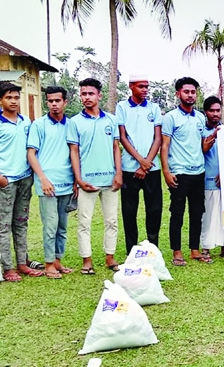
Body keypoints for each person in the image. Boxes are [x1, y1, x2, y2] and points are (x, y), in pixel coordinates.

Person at [0, 82, 39, 281]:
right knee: (4, 225)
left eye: (15, 97)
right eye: (9, 98)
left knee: (21, 222)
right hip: (6, 181)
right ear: (0, 100)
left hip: (24, 179)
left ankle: (22, 263)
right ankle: (8, 267)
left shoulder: (26, 122)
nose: (13, 101)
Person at [68, 78, 123, 274]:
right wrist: (79, 179)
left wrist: (118, 173)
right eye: (83, 94)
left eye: (91, 93)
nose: (87, 97)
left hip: (110, 180)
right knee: (84, 222)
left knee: (112, 221)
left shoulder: (111, 120)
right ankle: (87, 261)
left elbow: (116, 147)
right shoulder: (74, 122)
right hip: (87, 182)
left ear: (99, 95)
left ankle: (110, 257)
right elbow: (73, 151)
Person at [27, 85, 74, 279]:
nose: (54, 104)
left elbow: (74, 153)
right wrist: (43, 179)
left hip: (67, 182)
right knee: (51, 225)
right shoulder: (38, 125)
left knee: (62, 225)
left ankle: (57, 260)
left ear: (65, 102)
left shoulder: (71, 125)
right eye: (50, 101)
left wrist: (76, 181)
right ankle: (48, 264)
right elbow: (31, 154)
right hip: (47, 184)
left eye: (57, 100)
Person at [161, 76, 209, 266]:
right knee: (178, 213)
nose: (190, 95)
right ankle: (177, 251)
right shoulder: (171, 117)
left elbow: (202, 146)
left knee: (197, 213)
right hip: (179, 172)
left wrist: (214, 137)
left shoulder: (200, 117)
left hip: (199, 172)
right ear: (178, 94)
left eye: (193, 92)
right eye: (186, 91)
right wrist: (166, 171)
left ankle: (195, 250)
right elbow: (164, 146)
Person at [116, 74, 163, 253]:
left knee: (154, 210)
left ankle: (153, 249)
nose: (145, 90)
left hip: (152, 168)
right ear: (131, 86)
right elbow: (122, 137)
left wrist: (147, 163)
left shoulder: (154, 108)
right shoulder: (121, 107)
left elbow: (157, 137)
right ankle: (132, 250)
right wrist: (140, 161)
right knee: (129, 212)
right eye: (141, 86)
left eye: (146, 87)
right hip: (129, 168)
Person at [201, 95, 224, 260]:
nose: (215, 114)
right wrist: (214, 135)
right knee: (208, 215)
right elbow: (204, 149)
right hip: (207, 179)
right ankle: (206, 248)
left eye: (218, 110)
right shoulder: (202, 130)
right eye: (211, 110)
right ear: (205, 112)